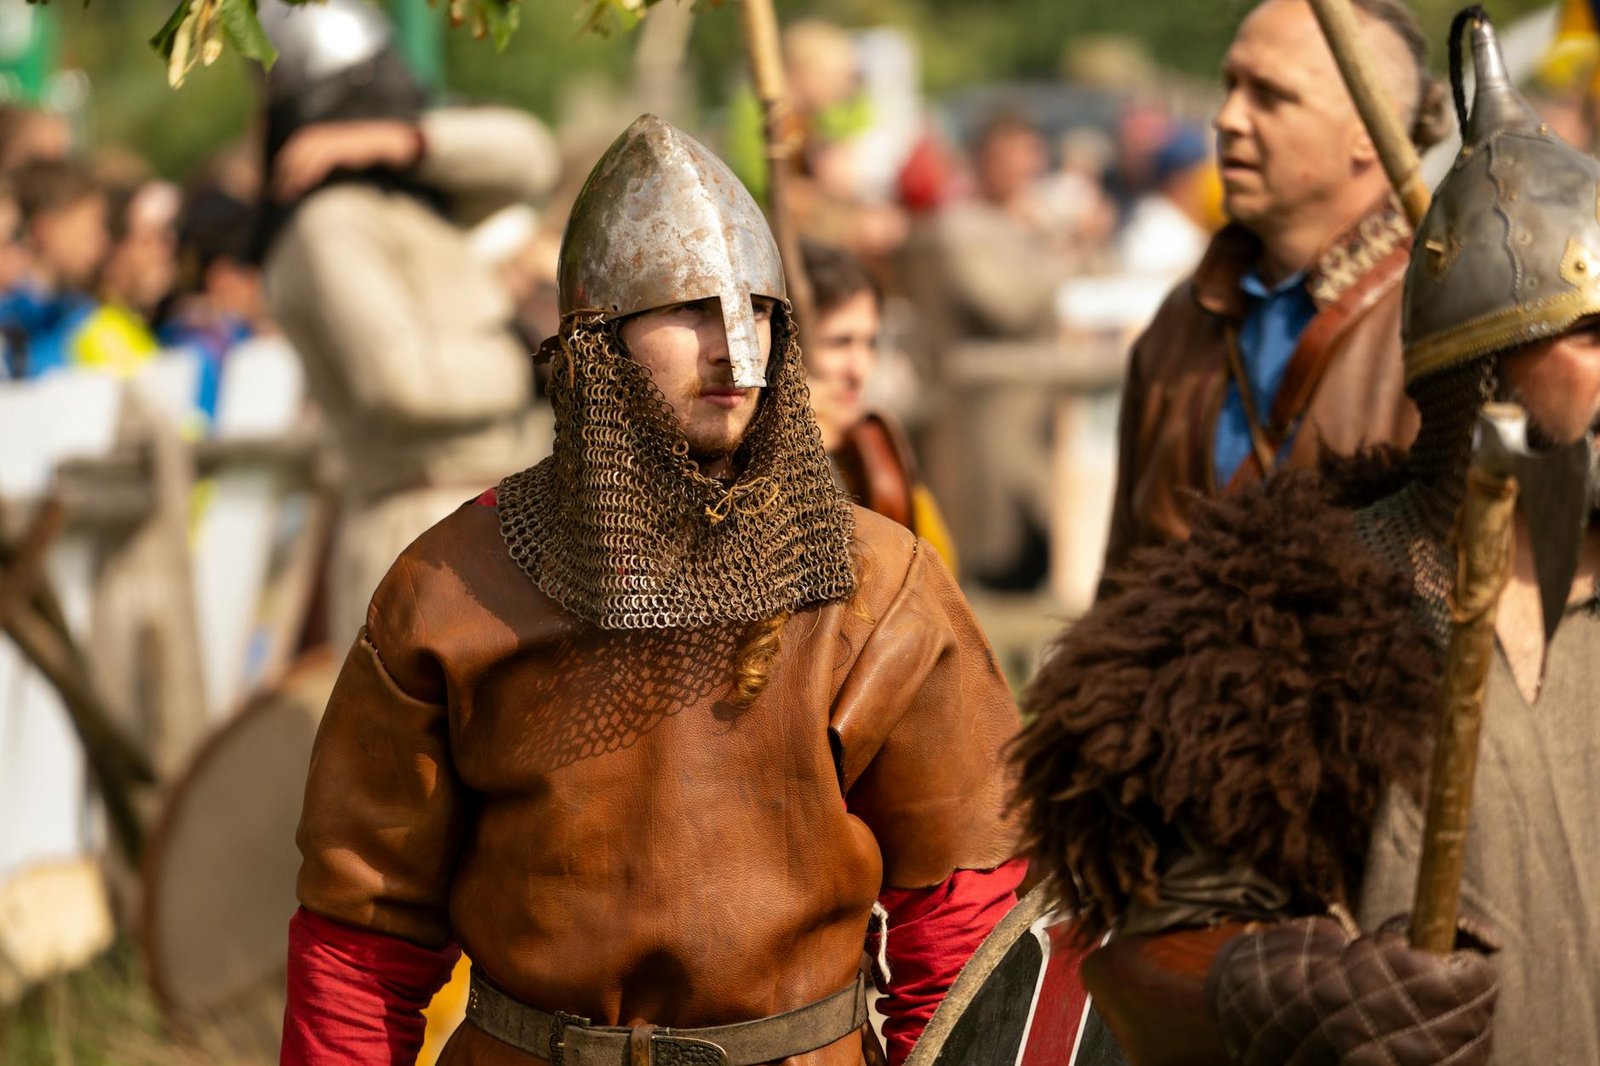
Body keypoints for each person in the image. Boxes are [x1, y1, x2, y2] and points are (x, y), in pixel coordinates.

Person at [279, 115, 1024, 1066]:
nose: (735, 352)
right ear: (595, 341)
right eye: (691, 311)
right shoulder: (452, 590)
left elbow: (961, 924)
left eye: (755, 312)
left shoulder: (879, 587)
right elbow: (362, 935)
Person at [1012, 10, 1598, 1062]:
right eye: (1591, 334)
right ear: (1486, 364)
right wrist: (1288, 989)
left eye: (1270, 93)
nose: (1228, 121)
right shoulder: (1291, 613)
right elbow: (1146, 936)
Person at [1100, 0, 1452, 581]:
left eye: (1270, 95)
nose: (1228, 118)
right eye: (1230, 86)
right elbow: (1121, 582)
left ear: (1367, 133)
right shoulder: (1181, 321)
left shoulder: (1452, 317)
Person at [255, 0, 560, 643]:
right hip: (423, 524)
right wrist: (522, 356)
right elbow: (400, 382)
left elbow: (530, 154)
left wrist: (408, 141)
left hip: (495, 506)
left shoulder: (415, 194)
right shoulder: (324, 225)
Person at [802, 240, 957, 569]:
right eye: (838, 342)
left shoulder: (874, 446)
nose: (861, 369)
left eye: (870, 343)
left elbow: (936, 573)